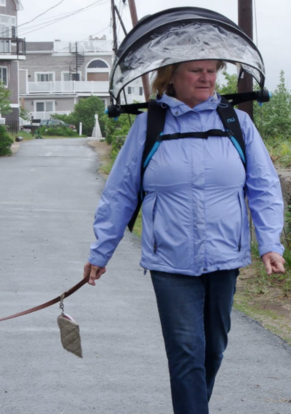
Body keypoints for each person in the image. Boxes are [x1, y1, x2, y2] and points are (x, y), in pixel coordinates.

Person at [84, 60, 285, 414]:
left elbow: (264, 186)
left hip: (225, 256)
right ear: (171, 77)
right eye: (196, 70)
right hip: (170, 260)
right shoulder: (150, 126)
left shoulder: (236, 123)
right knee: (185, 351)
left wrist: (270, 243)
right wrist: (101, 252)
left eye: (212, 70)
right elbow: (120, 194)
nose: (206, 78)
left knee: (212, 350)